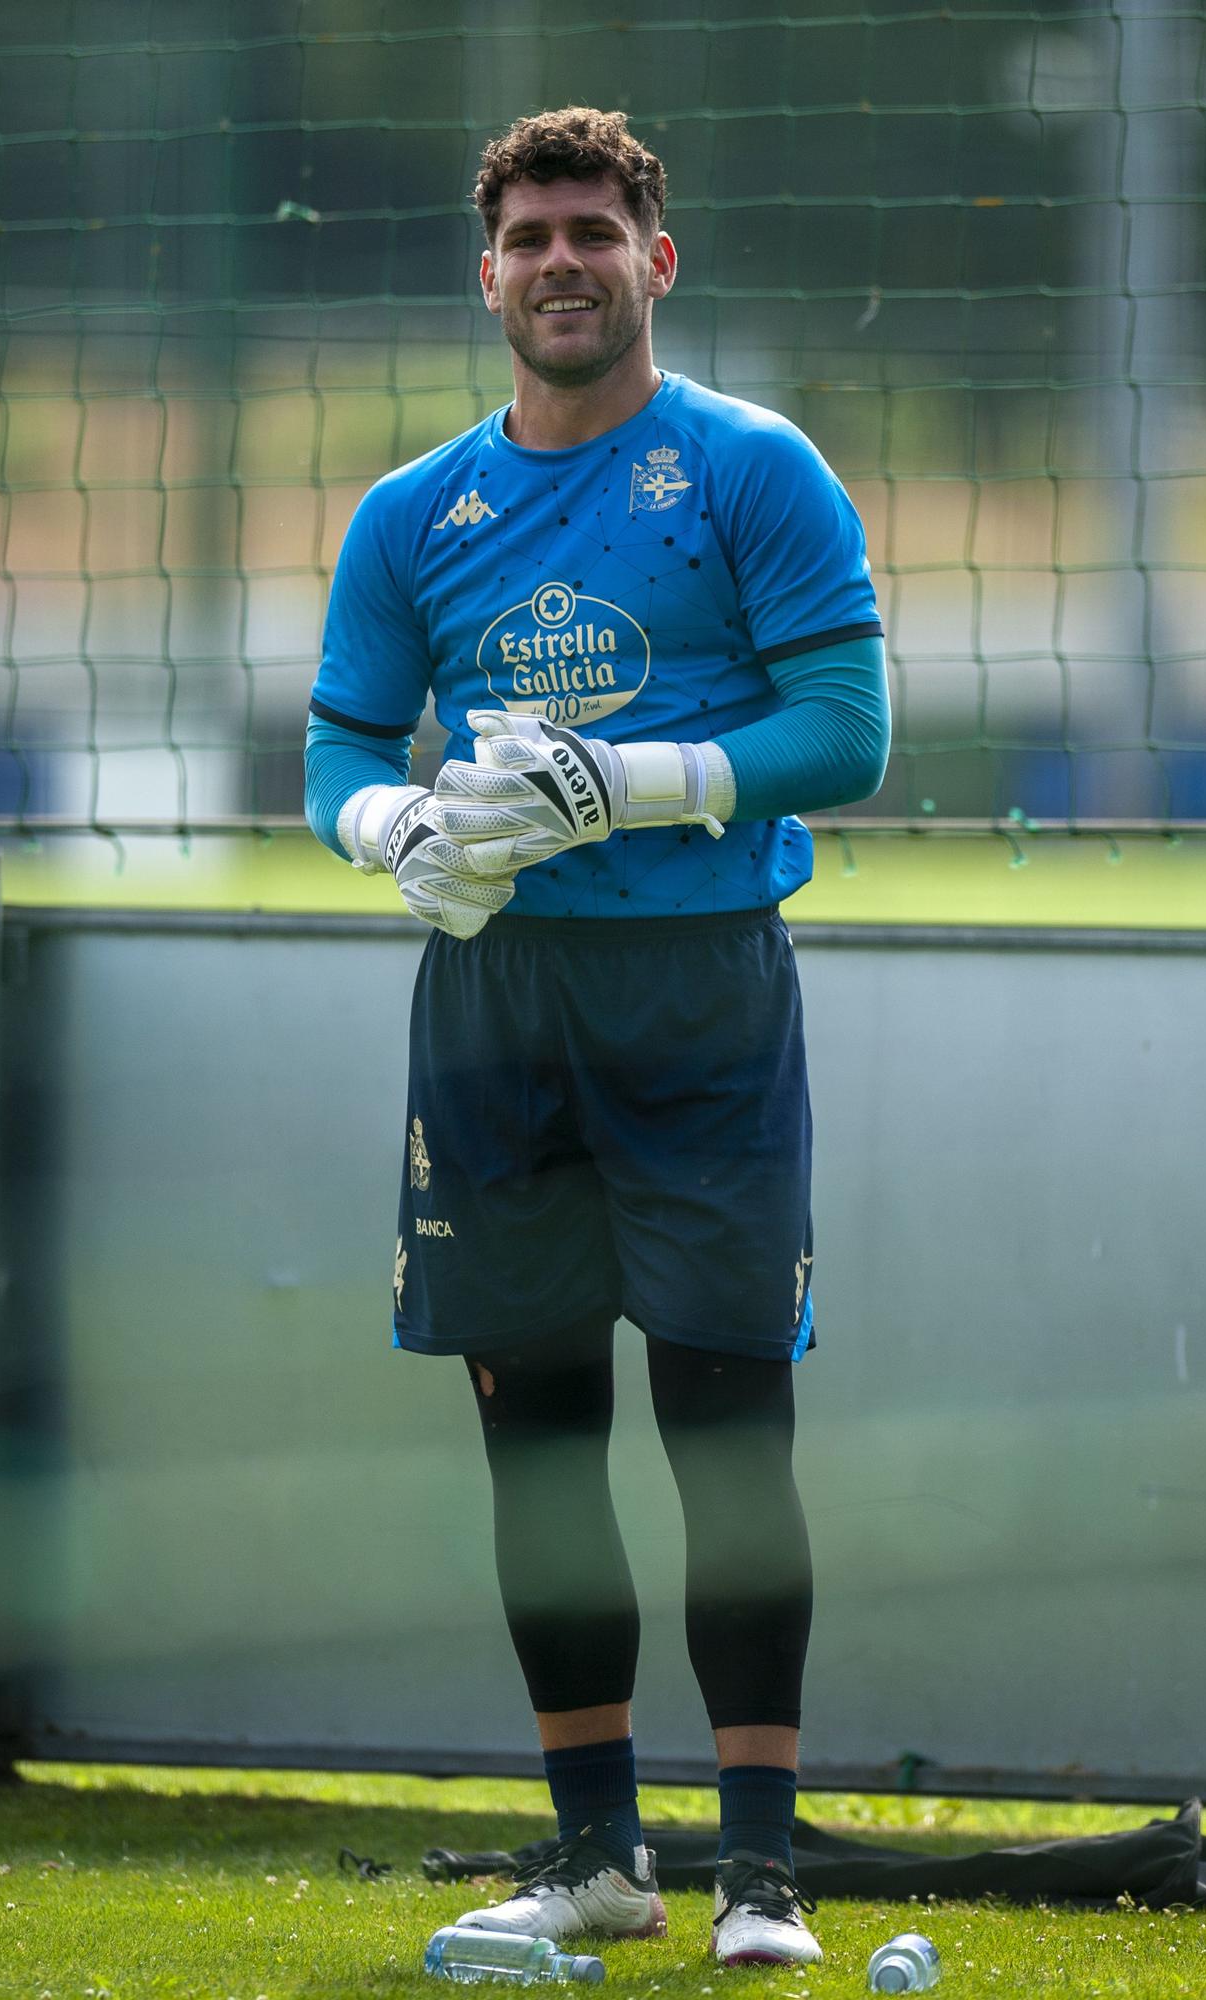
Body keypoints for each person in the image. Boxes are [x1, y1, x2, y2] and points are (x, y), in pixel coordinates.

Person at [304, 105, 889, 1968]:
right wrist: (391, 827)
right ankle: (594, 1859)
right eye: (531, 237)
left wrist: (628, 781)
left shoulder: (751, 470)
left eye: (596, 232)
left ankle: (765, 1877)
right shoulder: (411, 514)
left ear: (659, 260)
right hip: (494, 1012)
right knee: (539, 1447)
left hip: (702, 991)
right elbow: (336, 738)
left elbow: (849, 729)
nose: (563, 262)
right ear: (487, 275)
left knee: (731, 1430)